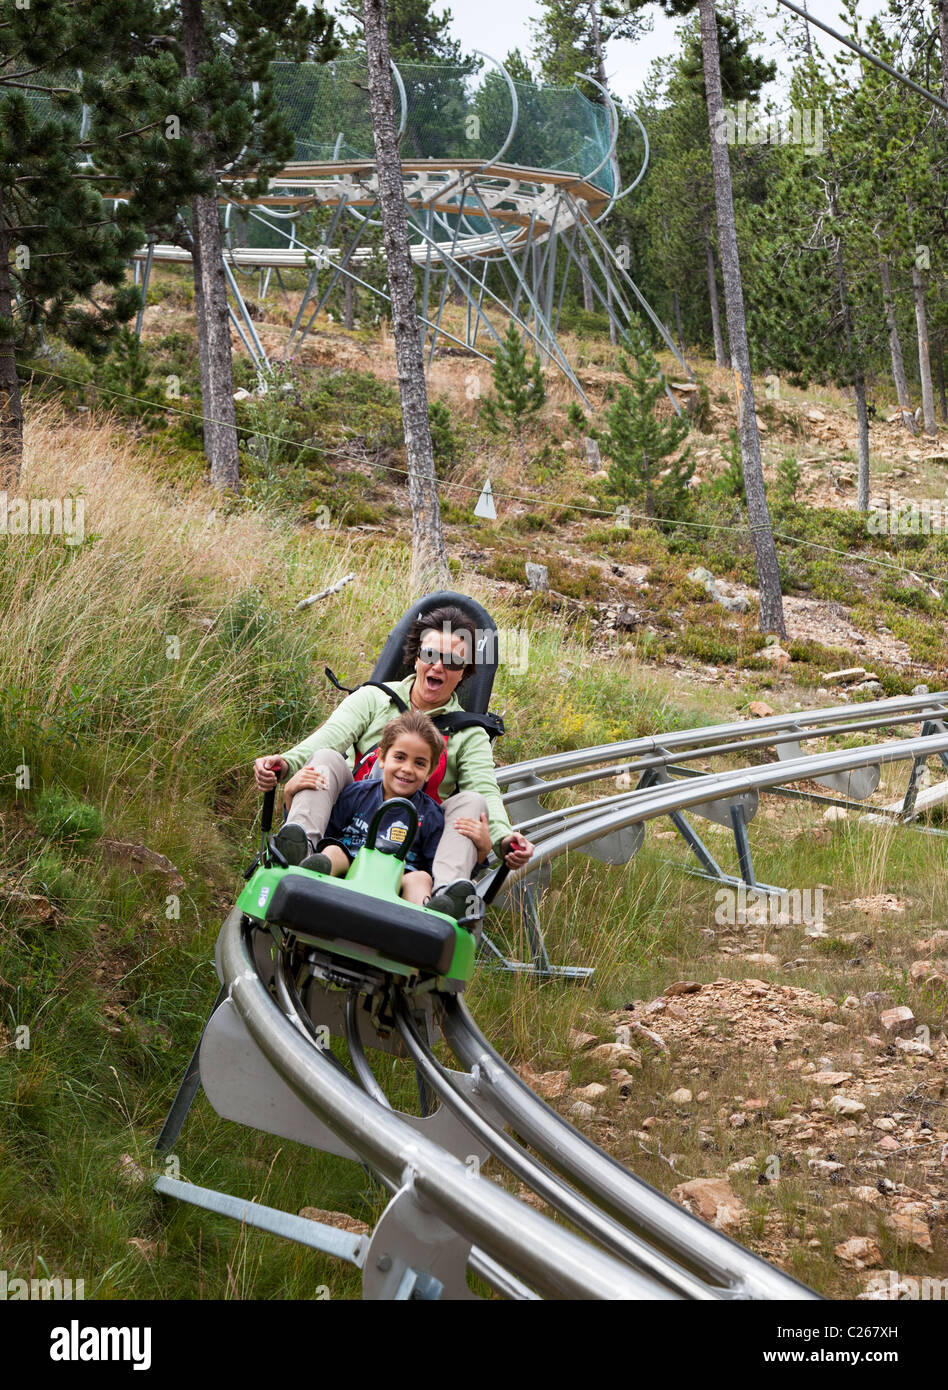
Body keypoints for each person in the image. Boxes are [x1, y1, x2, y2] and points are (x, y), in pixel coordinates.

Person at [253, 603, 534, 921]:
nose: (438, 667)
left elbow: (486, 791)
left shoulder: (469, 732)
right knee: (327, 759)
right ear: (416, 657)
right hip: (353, 818)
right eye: (430, 655)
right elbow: (327, 738)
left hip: (417, 834)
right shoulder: (372, 699)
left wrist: (502, 840)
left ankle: (446, 896)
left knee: (472, 802)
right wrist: (285, 766)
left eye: (453, 661)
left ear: (465, 672)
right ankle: (298, 849)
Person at [300, 711, 487, 909]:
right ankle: (310, 875)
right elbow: (329, 830)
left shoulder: (431, 814)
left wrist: (481, 853)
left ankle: (432, 913)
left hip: (401, 877)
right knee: (333, 850)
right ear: (382, 757)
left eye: (419, 763)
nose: (407, 768)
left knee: (421, 878)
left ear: (429, 772)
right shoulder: (357, 793)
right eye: (399, 757)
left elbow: (439, 865)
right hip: (352, 860)